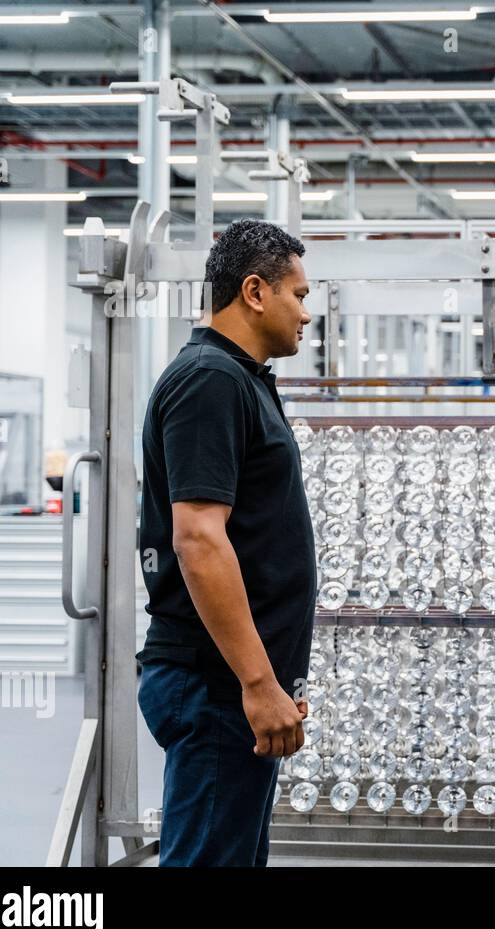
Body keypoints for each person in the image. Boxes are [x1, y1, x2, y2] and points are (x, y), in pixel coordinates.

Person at [136, 219, 315, 866]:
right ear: (254, 292)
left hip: (234, 685)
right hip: (214, 685)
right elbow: (199, 539)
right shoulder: (210, 379)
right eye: (298, 294)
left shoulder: (241, 380)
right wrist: (256, 681)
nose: (306, 313)